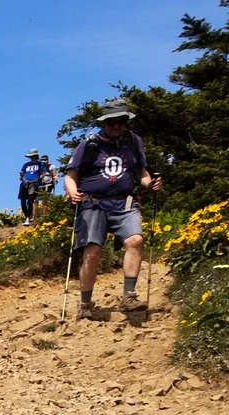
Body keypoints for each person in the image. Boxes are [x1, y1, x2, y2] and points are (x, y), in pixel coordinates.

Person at [64, 106, 163, 312]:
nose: (117, 126)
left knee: (135, 240)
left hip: (124, 202)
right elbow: (70, 175)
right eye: (112, 122)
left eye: (121, 121)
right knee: (92, 254)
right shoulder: (89, 145)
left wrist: (149, 183)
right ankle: (85, 304)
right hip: (92, 203)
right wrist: (73, 192)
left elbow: (141, 172)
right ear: (104, 123)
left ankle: (128, 297)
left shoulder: (134, 142)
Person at [18, 149, 50, 219]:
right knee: (23, 201)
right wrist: (21, 177)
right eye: (31, 156)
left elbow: (42, 173)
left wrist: (39, 179)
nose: (32, 157)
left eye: (33, 156)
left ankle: (28, 217)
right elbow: (22, 173)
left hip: (34, 182)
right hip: (25, 182)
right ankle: (27, 215)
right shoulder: (26, 165)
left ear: (36, 156)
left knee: (30, 201)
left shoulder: (39, 164)